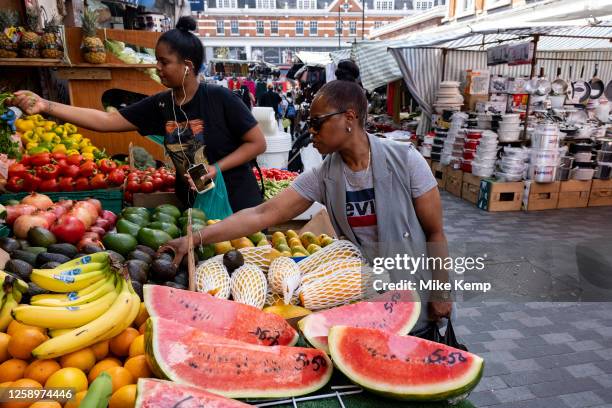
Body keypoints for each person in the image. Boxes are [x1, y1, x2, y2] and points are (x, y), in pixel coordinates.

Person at [161, 80, 452, 331]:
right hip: (366, 292)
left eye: (317, 122)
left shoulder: (406, 161)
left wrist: (442, 291)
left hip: (416, 288)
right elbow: (263, 213)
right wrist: (195, 239)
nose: (310, 131)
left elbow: (436, 232)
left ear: (349, 117)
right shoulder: (325, 176)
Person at [9, 16, 266, 213]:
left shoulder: (219, 98)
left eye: (164, 62)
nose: (158, 67)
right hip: (194, 208)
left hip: (238, 204)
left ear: (187, 66)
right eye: (157, 60)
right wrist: (46, 106)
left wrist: (214, 169)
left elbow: (257, 143)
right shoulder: (161, 105)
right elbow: (106, 121)